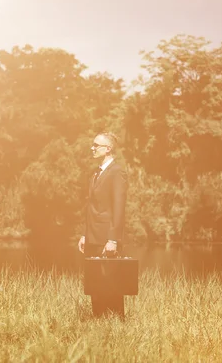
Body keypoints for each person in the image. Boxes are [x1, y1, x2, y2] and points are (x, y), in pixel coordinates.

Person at [78, 131, 128, 318]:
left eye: (96, 145)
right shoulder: (96, 173)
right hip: (93, 237)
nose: (92, 148)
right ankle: (97, 322)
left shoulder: (117, 172)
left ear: (108, 149)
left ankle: (116, 325)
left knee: (112, 285)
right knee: (95, 285)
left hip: (107, 238)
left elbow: (119, 208)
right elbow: (90, 207)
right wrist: (85, 234)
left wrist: (113, 240)